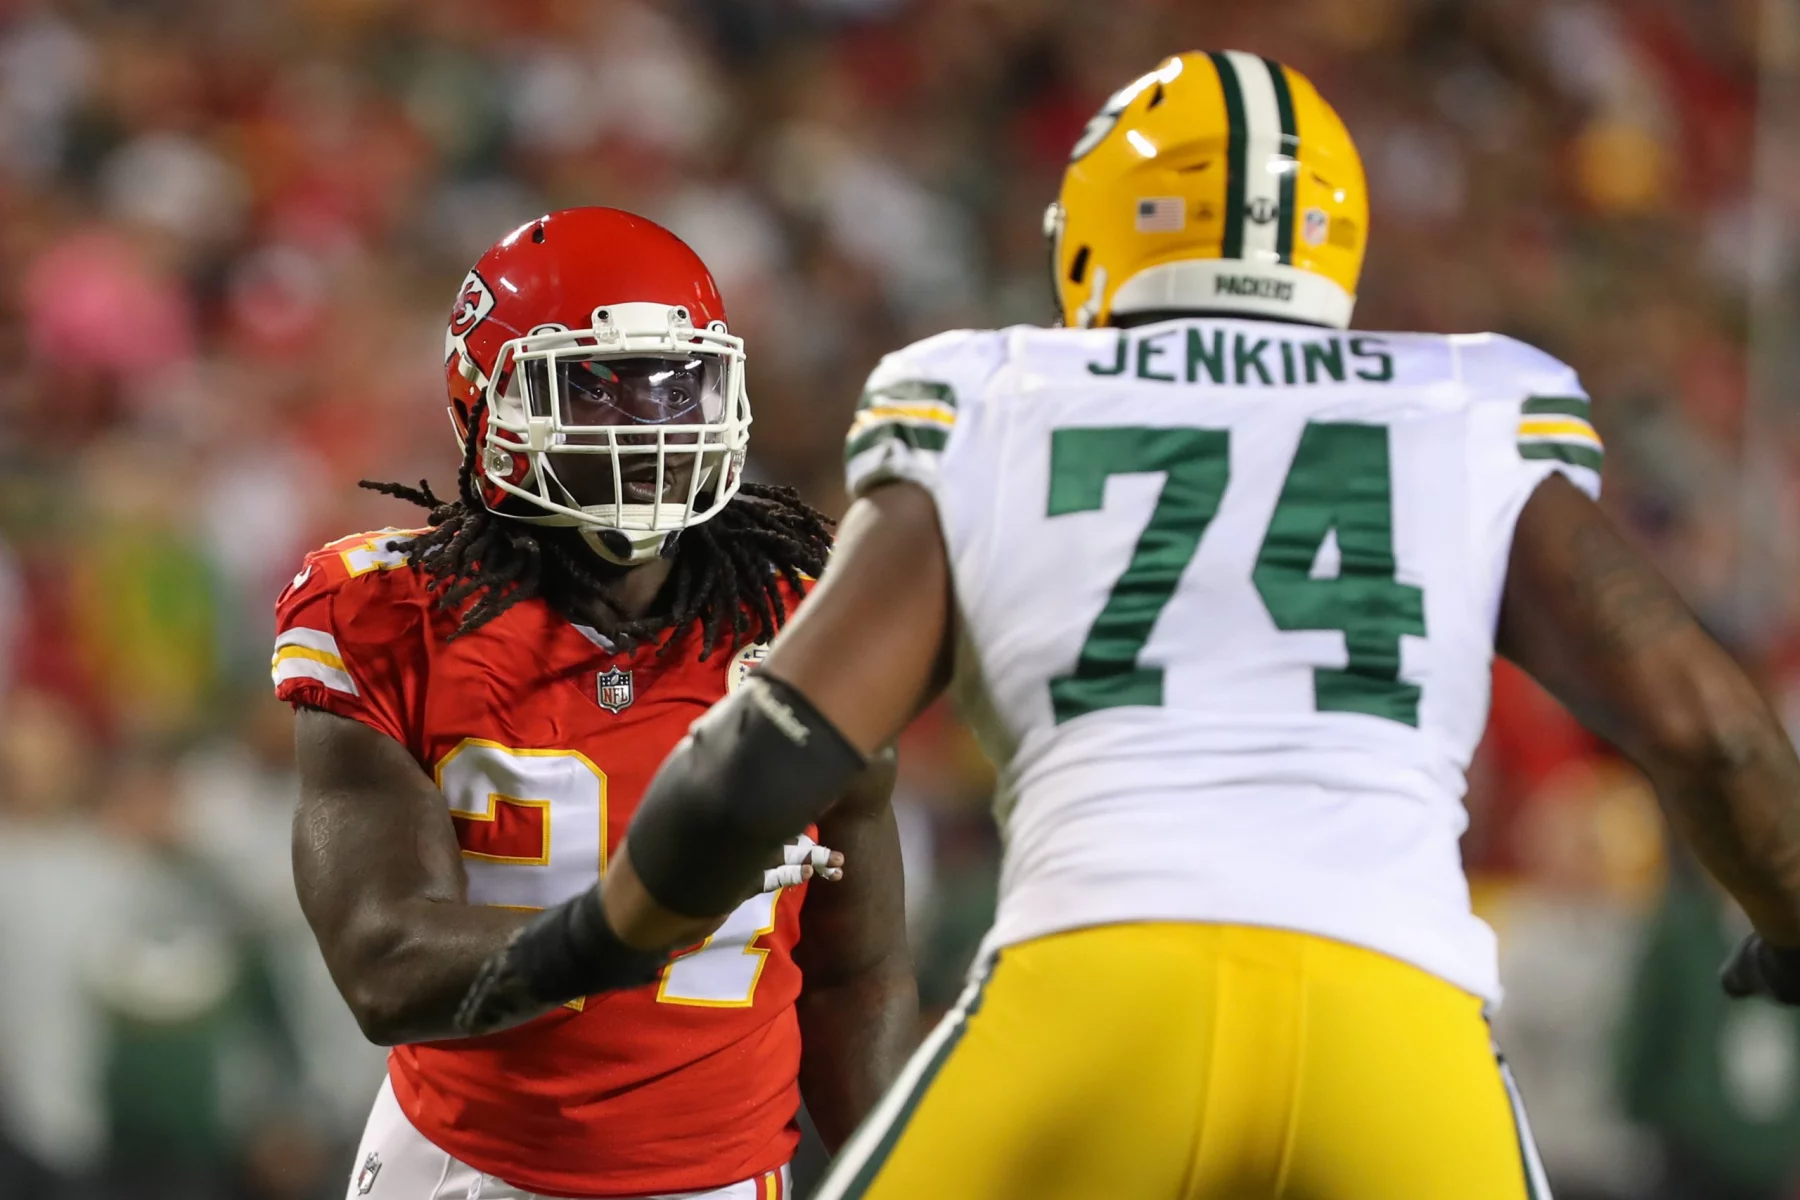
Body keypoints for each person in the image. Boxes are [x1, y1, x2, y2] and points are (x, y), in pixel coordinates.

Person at [457, 54, 1800, 1199]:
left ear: (1097, 232)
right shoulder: (1462, 400)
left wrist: (586, 945)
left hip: (1096, 997)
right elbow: (1712, 734)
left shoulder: (999, 391)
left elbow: (776, 748)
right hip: (1400, 1025)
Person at [276, 207, 916, 1200]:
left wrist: (906, 1177)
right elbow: (383, 962)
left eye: (677, 386)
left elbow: (853, 972)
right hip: (465, 1167)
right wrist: (637, 921)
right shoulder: (385, 614)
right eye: (598, 387)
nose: (650, 426)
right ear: (485, 399)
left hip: (724, 1176)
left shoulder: (811, 617)